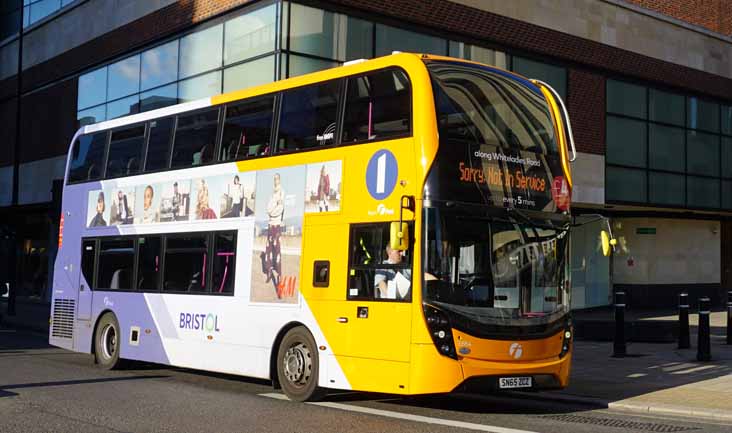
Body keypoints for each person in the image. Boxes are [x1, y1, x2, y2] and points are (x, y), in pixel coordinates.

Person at [264, 173, 284, 293]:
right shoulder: (272, 194)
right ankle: (269, 272)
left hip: (276, 225)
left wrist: (272, 211)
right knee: (268, 251)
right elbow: (268, 209)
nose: (275, 181)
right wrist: (272, 209)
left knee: (277, 251)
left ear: (279, 180)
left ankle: (279, 278)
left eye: (276, 179)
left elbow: (280, 209)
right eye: (274, 179)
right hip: (270, 225)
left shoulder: (282, 192)